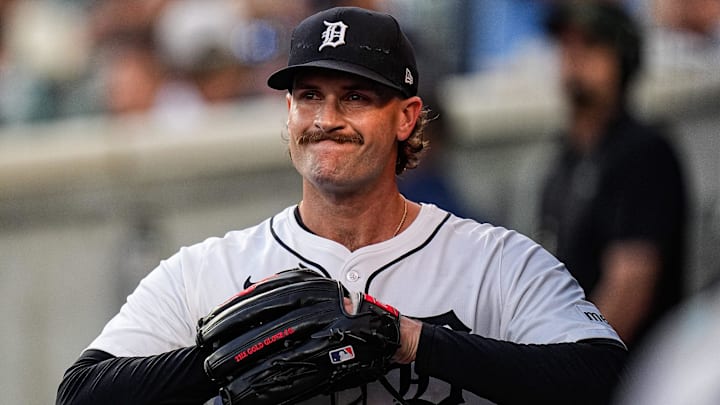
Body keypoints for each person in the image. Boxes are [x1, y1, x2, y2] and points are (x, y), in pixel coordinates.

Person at [57, 7, 626, 405]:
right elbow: (81, 392)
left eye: (355, 96)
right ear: (288, 113)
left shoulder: (497, 262)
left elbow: (610, 378)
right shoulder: (208, 269)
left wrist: (410, 340)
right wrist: (228, 356)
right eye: (310, 97)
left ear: (406, 117)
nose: (327, 119)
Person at [537, 1, 687, 350]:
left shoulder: (643, 152)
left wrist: (572, 368)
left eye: (590, 44)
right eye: (566, 44)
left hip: (626, 375)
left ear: (623, 58)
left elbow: (629, 288)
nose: (573, 56)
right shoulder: (563, 158)